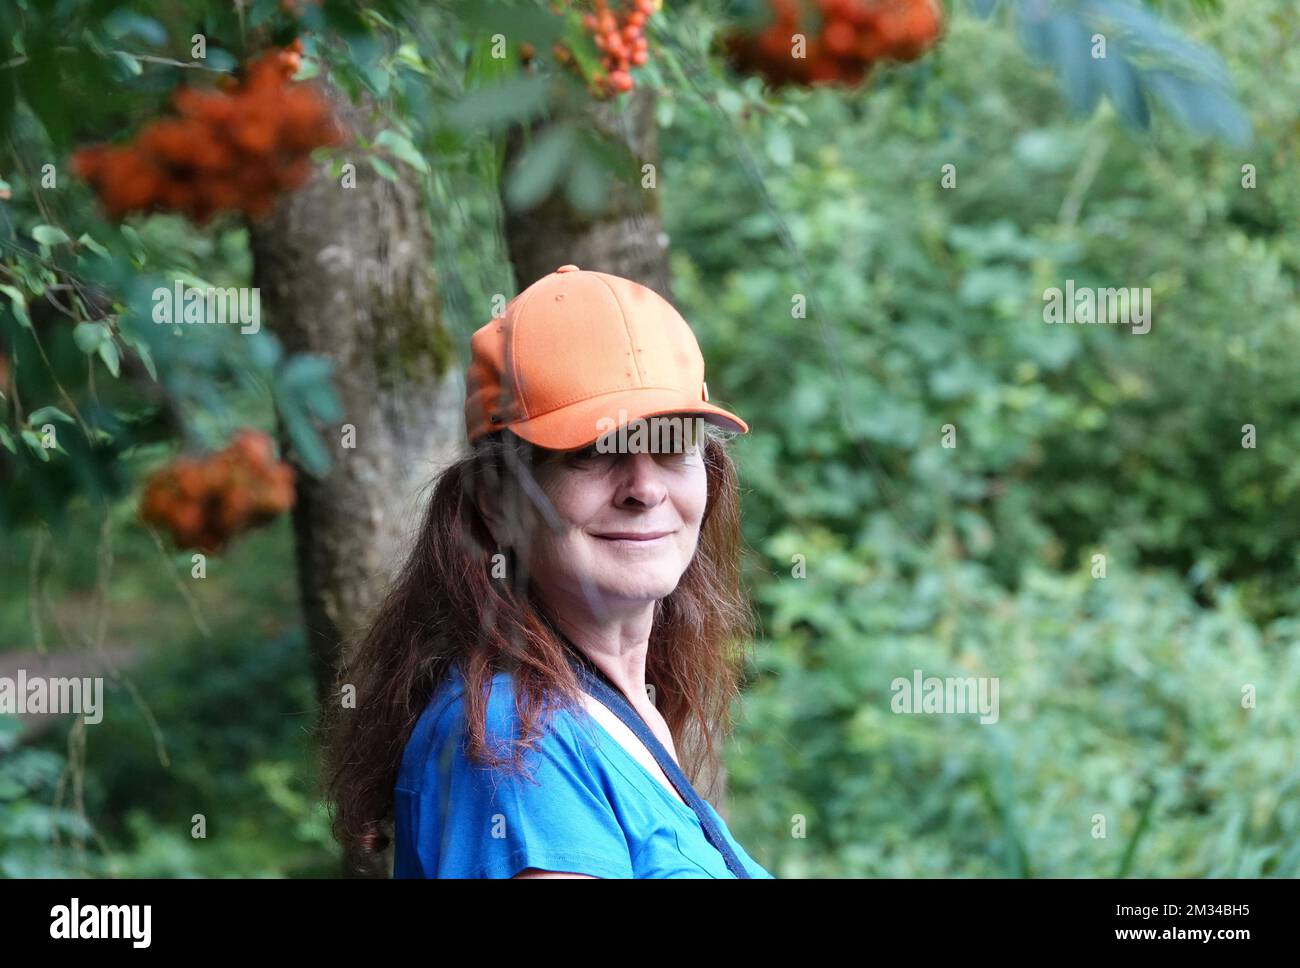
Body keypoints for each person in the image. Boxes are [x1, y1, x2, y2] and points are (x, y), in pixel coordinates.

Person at [322, 264, 774, 878]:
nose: (643, 487)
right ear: (495, 500)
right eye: (591, 452)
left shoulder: (609, 710)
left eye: (671, 444)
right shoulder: (516, 743)